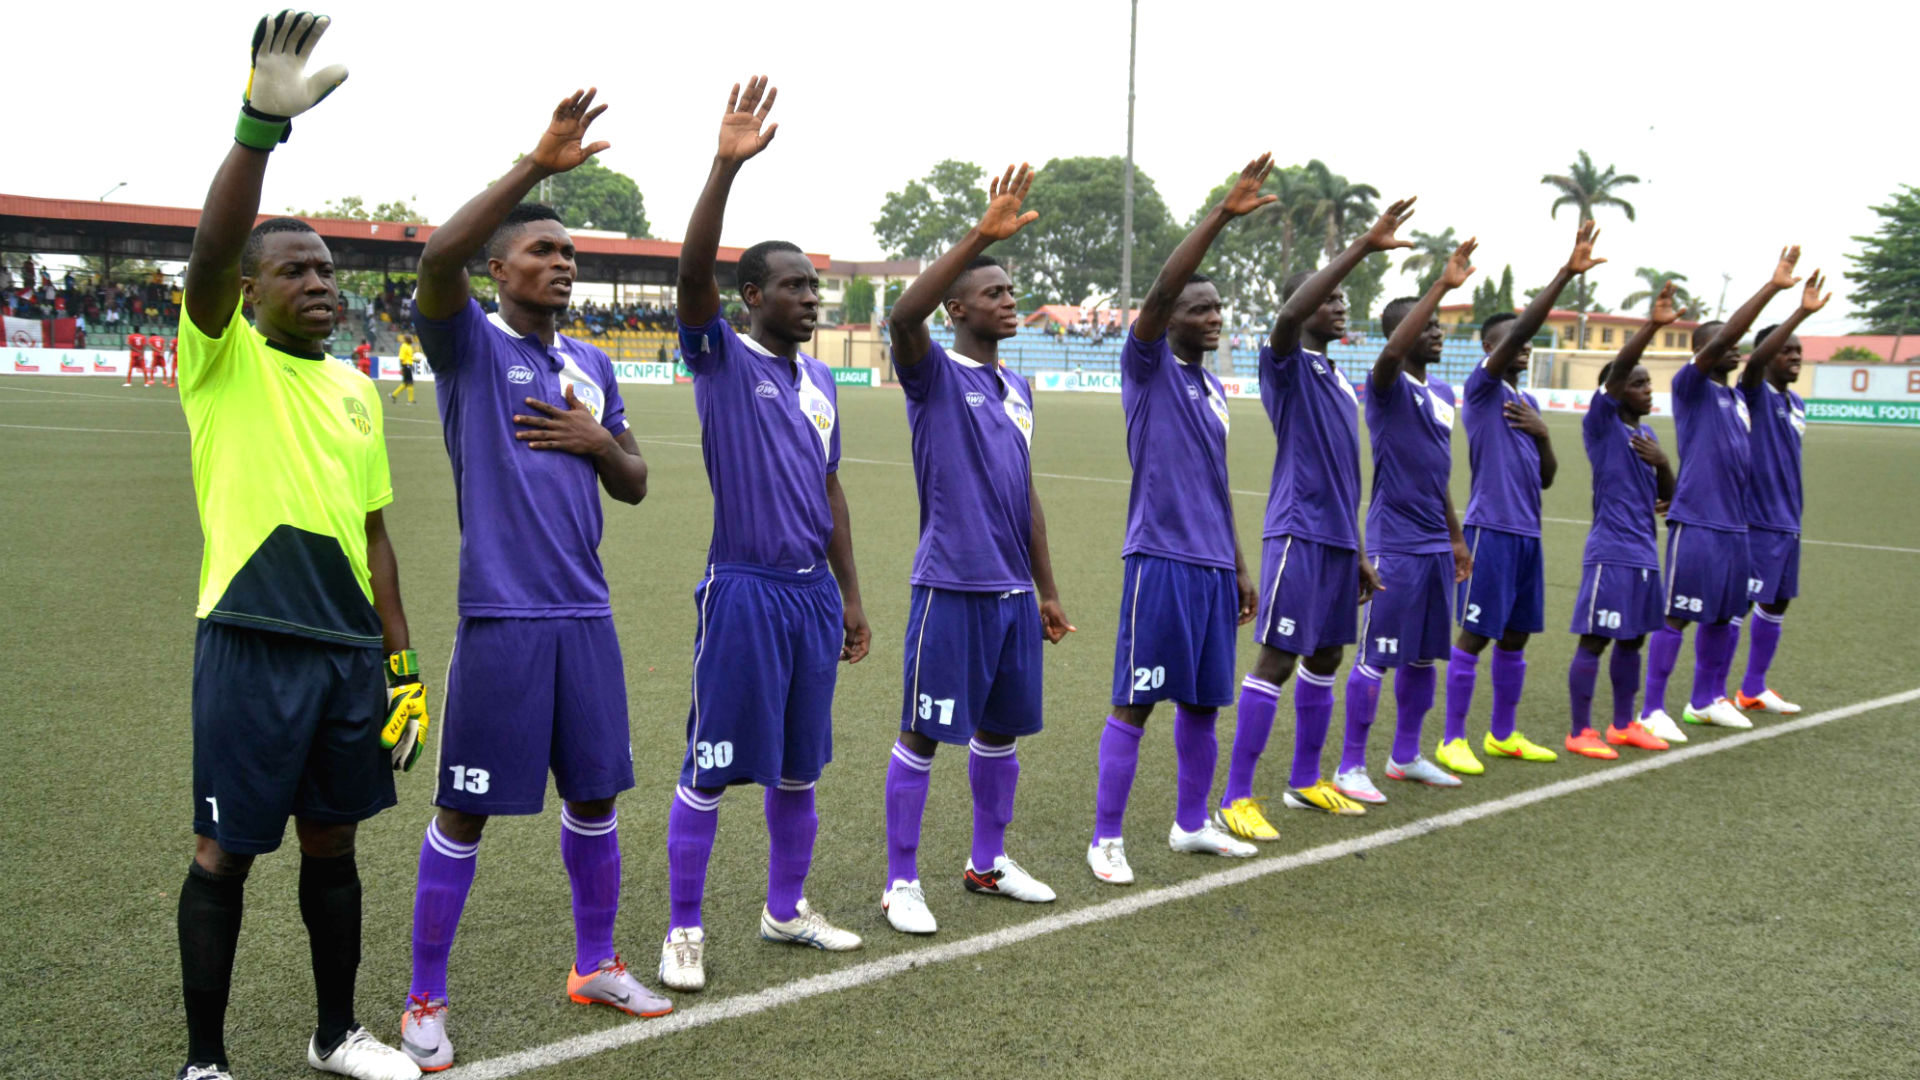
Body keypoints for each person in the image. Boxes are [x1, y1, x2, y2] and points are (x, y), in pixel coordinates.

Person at [172, 12, 425, 1080]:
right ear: (249, 291)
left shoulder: (359, 391)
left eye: (328, 270)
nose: (321, 282)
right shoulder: (220, 360)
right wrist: (257, 132)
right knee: (224, 854)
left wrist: (402, 662)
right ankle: (206, 1062)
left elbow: (375, 538)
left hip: (345, 656)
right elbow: (213, 246)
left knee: (336, 845)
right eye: (296, 270)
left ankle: (334, 1035)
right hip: (250, 638)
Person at [397, 90, 666, 1072]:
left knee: (595, 799)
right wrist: (532, 168)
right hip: (503, 617)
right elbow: (431, 261)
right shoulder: (467, 344)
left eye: (570, 255)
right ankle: (425, 1001)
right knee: (463, 809)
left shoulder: (595, 364)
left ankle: (595, 964)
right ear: (498, 270)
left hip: (585, 616)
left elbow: (636, 483)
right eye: (542, 251)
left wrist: (600, 442)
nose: (562, 264)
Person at [659, 76, 871, 992]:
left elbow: (832, 493)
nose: (810, 298)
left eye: (814, 286)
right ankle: (682, 930)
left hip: (810, 597)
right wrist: (722, 167)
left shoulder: (823, 385)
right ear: (750, 296)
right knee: (710, 767)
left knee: (798, 768)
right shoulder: (718, 356)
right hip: (742, 589)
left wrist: (852, 597)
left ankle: (786, 910)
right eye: (792, 286)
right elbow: (691, 275)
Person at [879, 162, 1074, 934]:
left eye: (1009, 290)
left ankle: (987, 864)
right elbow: (903, 315)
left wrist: (1047, 589)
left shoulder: (1018, 390)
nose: (1008, 300)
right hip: (950, 585)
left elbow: (1027, 495)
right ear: (957, 307)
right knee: (925, 731)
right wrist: (976, 237)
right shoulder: (931, 372)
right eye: (993, 292)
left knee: (1001, 733)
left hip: (1013, 595)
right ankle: (900, 882)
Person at [1087, 154, 1276, 885]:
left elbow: (1219, 482)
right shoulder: (1149, 367)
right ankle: (1106, 838)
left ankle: (1191, 824)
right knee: (1136, 699)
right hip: (1158, 559)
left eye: (1219, 309)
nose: (1214, 317)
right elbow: (1163, 289)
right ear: (1172, 321)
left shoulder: (1215, 388)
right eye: (1201, 309)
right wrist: (1221, 218)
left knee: (1202, 704)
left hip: (1208, 567)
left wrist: (1237, 563)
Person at [1213, 197, 1412, 837]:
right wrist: (1359, 247)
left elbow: (1344, 475)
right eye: (1330, 299)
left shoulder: (1334, 375)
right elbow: (1289, 316)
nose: (1341, 305)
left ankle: (1305, 781)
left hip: (1335, 541)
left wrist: (1355, 548)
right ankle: (1237, 796)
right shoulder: (1288, 365)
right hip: (1296, 533)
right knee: (1275, 658)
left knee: (1325, 657)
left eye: (1343, 300)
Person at [1440, 222, 1602, 774]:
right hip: (1490, 529)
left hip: (1529, 533)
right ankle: (1452, 738)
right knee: (1477, 633)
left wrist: (1544, 433)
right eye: (1516, 341)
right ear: (1491, 350)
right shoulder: (1482, 391)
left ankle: (1503, 734)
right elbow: (1521, 329)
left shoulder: (1525, 400)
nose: (1526, 347)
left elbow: (1548, 478)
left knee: (1514, 637)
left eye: (1527, 342)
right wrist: (1565, 274)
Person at [1641, 248, 1803, 738]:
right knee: (1678, 616)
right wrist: (1773, 288)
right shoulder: (1692, 388)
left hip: (1737, 527)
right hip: (1700, 522)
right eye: (1724, 348)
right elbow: (1728, 338)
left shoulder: (1738, 398)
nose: (1735, 352)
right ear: (1704, 354)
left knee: (1724, 616)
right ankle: (1651, 707)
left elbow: (1747, 359)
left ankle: (1706, 699)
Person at [1340, 239, 1479, 800]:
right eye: (1429, 327)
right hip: (1393, 542)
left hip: (1433, 546)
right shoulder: (1388, 387)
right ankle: (1350, 765)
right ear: (1405, 333)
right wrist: (1440, 286)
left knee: (1425, 657)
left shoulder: (1444, 392)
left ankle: (1406, 755)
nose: (1439, 334)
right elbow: (1390, 356)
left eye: (1441, 327)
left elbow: (1436, 471)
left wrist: (1455, 537)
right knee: (1377, 656)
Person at [1563, 282, 1684, 759]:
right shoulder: (1602, 423)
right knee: (1595, 641)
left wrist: (1664, 463)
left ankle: (1622, 724)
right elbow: (1612, 382)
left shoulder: (1648, 434)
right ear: (1617, 390)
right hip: (1610, 553)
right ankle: (1579, 730)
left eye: (1649, 383)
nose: (1647, 389)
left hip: (1643, 555)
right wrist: (1653, 325)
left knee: (1632, 642)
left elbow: (1668, 500)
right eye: (1637, 383)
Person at [1732, 272, 1829, 714]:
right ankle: (1709, 693)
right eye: (1786, 350)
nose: (1794, 357)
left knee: (1776, 603)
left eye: (1798, 352)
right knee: (1738, 606)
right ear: (1767, 357)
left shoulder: (1797, 404)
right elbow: (1753, 365)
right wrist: (1799, 312)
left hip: (1788, 521)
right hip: (1756, 520)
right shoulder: (1754, 393)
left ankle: (1753, 687)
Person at [390, 334, 417, 403]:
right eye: (411, 338)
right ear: (408, 339)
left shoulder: (409, 346)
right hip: (406, 366)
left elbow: (410, 357)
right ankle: (410, 400)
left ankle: (394, 394)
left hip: (409, 365)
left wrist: (415, 359)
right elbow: (401, 358)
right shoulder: (404, 346)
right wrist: (402, 367)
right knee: (409, 382)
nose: (412, 340)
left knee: (406, 383)